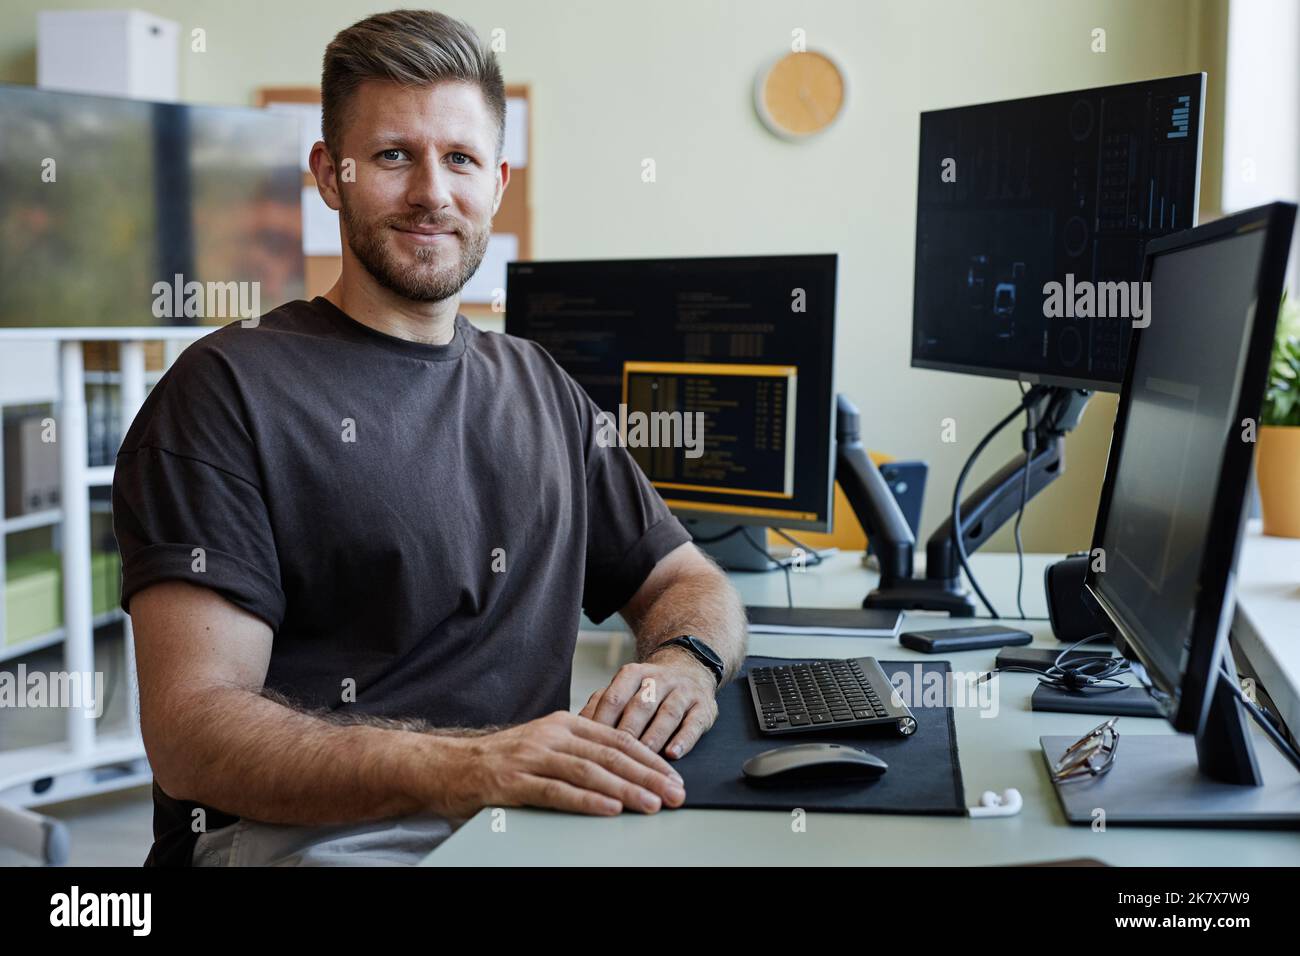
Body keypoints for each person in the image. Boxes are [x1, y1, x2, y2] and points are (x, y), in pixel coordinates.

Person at [113, 8, 746, 867]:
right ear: (329, 176)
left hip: (519, 822)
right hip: (324, 839)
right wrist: (467, 766)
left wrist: (685, 663)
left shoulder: (541, 386)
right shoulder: (225, 390)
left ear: (496, 180)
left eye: (460, 159)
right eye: (391, 156)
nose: (431, 194)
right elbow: (192, 731)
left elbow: (684, 576)